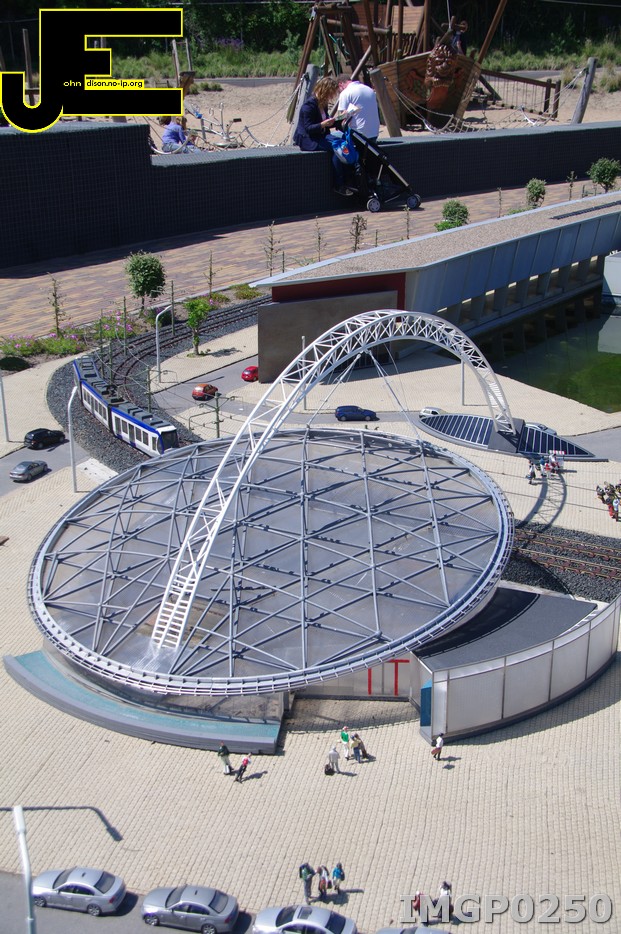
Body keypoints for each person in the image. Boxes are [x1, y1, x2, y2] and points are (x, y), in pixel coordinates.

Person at [293, 76, 352, 197]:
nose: (331, 97)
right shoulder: (308, 106)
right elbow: (308, 128)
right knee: (337, 148)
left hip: (320, 135)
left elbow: (327, 122)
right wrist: (323, 124)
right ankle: (339, 185)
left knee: (343, 144)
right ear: (324, 91)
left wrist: (340, 119)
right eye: (330, 94)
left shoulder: (322, 105)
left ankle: (348, 180)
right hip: (308, 139)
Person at [336, 74, 380, 142]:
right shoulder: (368, 89)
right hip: (375, 132)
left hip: (358, 134)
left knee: (334, 136)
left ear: (340, 84)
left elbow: (342, 118)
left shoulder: (345, 93)